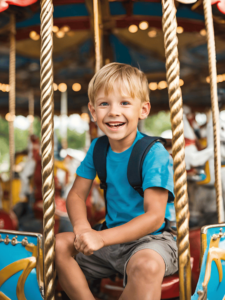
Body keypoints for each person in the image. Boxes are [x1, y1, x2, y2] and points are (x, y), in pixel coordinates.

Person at [55, 62, 178, 300]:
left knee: (147, 265)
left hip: (152, 240)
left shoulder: (154, 153)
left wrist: (100, 238)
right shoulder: (98, 148)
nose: (113, 111)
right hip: (110, 238)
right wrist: (82, 229)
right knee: (59, 244)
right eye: (104, 104)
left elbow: (153, 218)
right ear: (93, 111)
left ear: (143, 110)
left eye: (124, 103)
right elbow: (77, 195)